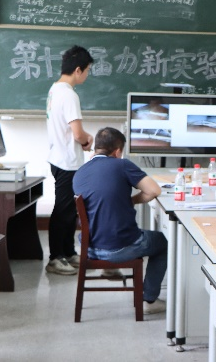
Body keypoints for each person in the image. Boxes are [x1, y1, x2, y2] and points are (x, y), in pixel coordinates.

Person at [73, 127, 167, 314]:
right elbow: (154, 190)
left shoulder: (80, 172)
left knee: (112, 230)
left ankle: (109, 269)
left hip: (90, 247)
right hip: (118, 248)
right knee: (163, 242)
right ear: (117, 152)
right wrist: (132, 200)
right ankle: (148, 299)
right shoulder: (122, 165)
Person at [45, 45, 94, 275]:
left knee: (69, 210)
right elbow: (77, 133)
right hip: (67, 161)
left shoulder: (55, 89)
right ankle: (55, 258)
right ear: (78, 70)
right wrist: (87, 139)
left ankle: (68, 252)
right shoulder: (69, 95)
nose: (87, 75)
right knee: (63, 211)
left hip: (59, 157)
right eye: (87, 70)